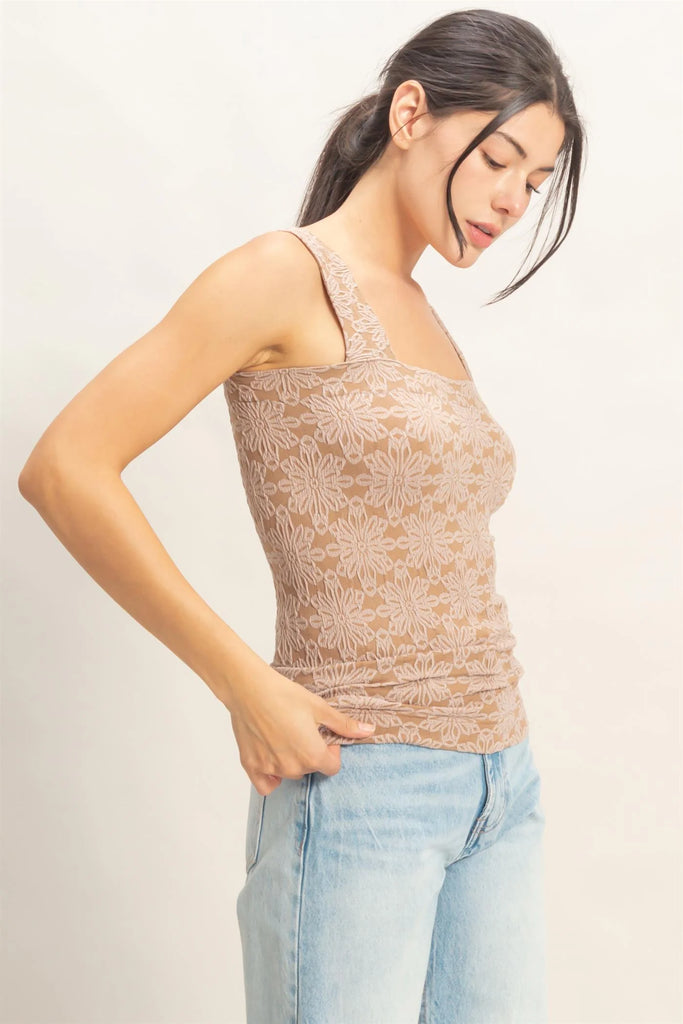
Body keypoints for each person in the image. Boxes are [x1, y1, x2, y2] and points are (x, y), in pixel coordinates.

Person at [18, 7, 586, 1023]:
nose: (511, 200)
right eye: (500, 159)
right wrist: (245, 683)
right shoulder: (281, 275)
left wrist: (499, 774)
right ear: (409, 114)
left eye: (535, 182)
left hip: (501, 785)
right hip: (361, 784)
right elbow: (67, 466)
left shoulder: (419, 306)